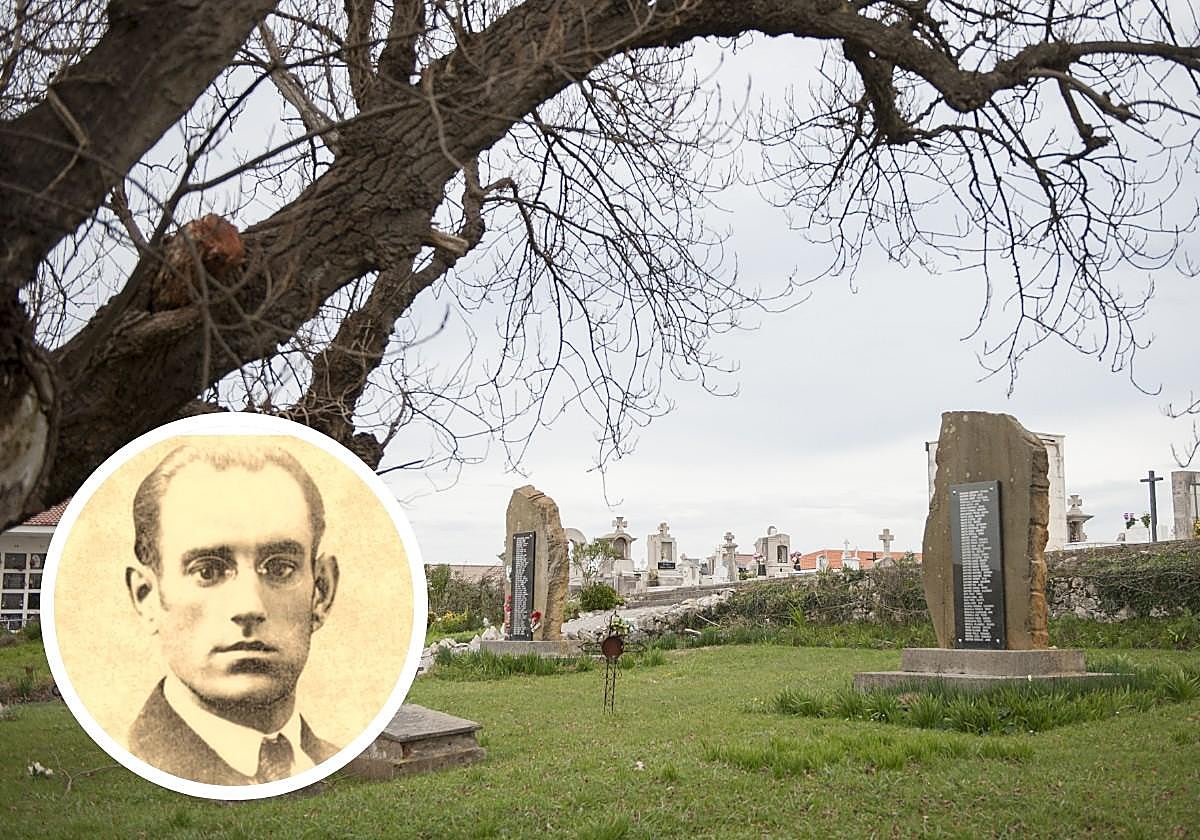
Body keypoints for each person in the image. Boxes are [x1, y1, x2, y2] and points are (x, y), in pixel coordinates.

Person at [123, 443, 341, 785]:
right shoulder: (134, 759)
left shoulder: (335, 760)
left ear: (322, 592)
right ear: (147, 597)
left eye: (280, 568)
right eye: (207, 571)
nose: (249, 608)